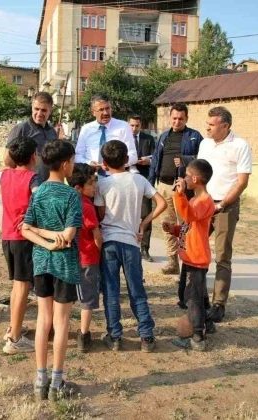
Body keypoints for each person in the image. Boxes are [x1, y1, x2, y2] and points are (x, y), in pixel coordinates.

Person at [21, 140, 82, 401]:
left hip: (41, 264)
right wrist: (55, 241)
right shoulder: (71, 196)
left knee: (42, 321)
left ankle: (40, 380)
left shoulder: (38, 193)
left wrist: (41, 235)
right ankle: (57, 381)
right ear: (66, 163)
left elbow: (24, 228)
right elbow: (68, 235)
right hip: (64, 265)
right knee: (61, 322)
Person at [95, 140, 167, 353]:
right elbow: (162, 203)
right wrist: (143, 223)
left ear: (104, 163)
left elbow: (100, 214)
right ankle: (146, 336)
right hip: (131, 243)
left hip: (108, 242)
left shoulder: (102, 184)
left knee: (111, 290)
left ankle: (115, 336)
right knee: (137, 290)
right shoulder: (139, 180)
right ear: (127, 160)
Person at [197, 107, 252, 323]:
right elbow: (198, 174)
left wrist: (221, 205)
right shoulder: (204, 143)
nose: (207, 128)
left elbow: (242, 181)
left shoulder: (240, 146)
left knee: (221, 256)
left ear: (225, 126)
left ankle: (218, 304)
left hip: (224, 207)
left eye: (212, 125)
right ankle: (197, 297)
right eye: (207, 123)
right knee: (196, 252)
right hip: (203, 205)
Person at [0, 137, 42, 355]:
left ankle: (14, 326)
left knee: (17, 285)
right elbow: (40, 201)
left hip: (8, 237)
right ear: (34, 157)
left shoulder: (4, 175)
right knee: (23, 286)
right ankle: (14, 339)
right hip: (24, 239)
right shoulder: (33, 178)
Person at [164, 159, 216, 351]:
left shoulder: (204, 201)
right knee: (199, 295)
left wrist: (179, 195)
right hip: (190, 256)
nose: (183, 178)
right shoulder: (195, 200)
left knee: (192, 298)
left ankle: (197, 338)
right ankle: (208, 325)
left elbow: (190, 216)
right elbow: (189, 226)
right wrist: (175, 230)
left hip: (196, 258)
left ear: (194, 178)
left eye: (186, 174)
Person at [148, 103, 204, 275]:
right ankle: (172, 262)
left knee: (186, 225)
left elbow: (203, 160)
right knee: (168, 225)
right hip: (164, 186)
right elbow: (156, 160)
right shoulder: (164, 136)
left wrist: (186, 160)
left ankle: (188, 260)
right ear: (169, 118)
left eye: (181, 118)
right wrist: (151, 184)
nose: (177, 121)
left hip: (183, 188)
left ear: (186, 119)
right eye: (174, 118)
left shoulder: (195, 136)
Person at [68, 163, 102, 353]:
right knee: (88, 300)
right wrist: (100, 252)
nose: (94, 187)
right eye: (91, 183)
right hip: (88, 258)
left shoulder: (69, 202)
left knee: (67, 298)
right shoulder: (87, 206)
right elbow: (97, 236)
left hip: (71, 258)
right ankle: (84, 334)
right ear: (78, 188)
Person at [75, 94, 137, 177]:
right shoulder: (86, 129)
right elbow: (77, 156)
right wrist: (89, 163)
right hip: (91, 178)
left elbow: (133, 156)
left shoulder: (123, 127)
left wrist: (113, 165)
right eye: (101, 109)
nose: (106, 112)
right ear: (93, 112)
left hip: (116, 177)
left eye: (108, 108)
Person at [6, 92, 57, 181]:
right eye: (36, 109)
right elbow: (8, 160)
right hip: (26, 184)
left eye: (44, 110)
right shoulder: (21, 129)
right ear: (32, 108)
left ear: (50, 111)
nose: (39, 113)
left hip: (47, 185)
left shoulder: (52, 132)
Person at [128, 115, 157, 262]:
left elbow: (156, 157)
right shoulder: (123, 139)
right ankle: (129, 247)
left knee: (146, 215)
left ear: (141, 125)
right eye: (132, 125)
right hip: (127, 182)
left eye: (137, 126)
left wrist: (148, 160)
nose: (134, 129)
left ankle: (145, 249)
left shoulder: (148, 139)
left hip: (144, 181)